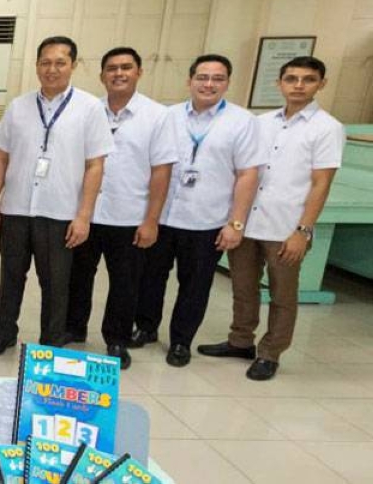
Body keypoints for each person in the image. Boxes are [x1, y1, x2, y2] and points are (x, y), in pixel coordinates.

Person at [197, 56, 343, 380]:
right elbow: (244, 171)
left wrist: (302, 231)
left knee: (282, 295)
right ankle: (240, 341)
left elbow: (321, 183)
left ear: (322, 83)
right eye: (291, 79)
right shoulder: (261, 123)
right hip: (247, 222)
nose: (299, 85)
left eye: (307, 79)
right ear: (279, 83)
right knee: (243, 288)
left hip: (285, 226)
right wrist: (234, 220)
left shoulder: (327, 128)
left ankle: (270, 353)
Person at [0, 36, 113, 356]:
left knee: (55, 283)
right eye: (45, 62)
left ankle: (51, 342)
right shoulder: (19, 106)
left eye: (60, 62)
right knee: (11, 278)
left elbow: (96, 165)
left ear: (73, 65)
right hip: (16, 208)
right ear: (37, 65)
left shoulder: (90, 108)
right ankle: (5, 334)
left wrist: (83, 216)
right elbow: (1, 157)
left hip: (60, 211)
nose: (52, 69)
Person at [132, 54, 262, 368]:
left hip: (208, 220)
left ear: (227, 83)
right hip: (163, 216)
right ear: (189, 80)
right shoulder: (168, 116)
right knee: (149, 278)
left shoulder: (242, 122)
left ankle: (180, 341)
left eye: (217, 78)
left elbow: (248, 175)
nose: (209, 84)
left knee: (195, 285)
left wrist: (236, 223)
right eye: (202, 77)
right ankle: (146, 327)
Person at [65, 48, 176, 369]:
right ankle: (74, 328)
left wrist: (151, 220)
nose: (118, 73)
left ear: (139, 72)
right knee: (79, 277)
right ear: (102, 76)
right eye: (111, 68)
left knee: (125, 283)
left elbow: (161, 171)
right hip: (86, 213)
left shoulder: (157, 116)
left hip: (129, 215)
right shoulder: (88, 110)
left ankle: (116, 339)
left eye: (126, 67)